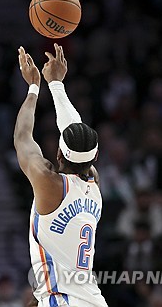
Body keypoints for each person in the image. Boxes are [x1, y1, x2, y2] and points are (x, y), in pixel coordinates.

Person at [14, 44, 108, 307]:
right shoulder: (93, 183)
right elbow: (73, 133)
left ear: (58, 154)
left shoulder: (49, 183)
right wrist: (56, 84)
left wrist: (34, 86)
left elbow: (22, 137)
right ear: (95, 158)